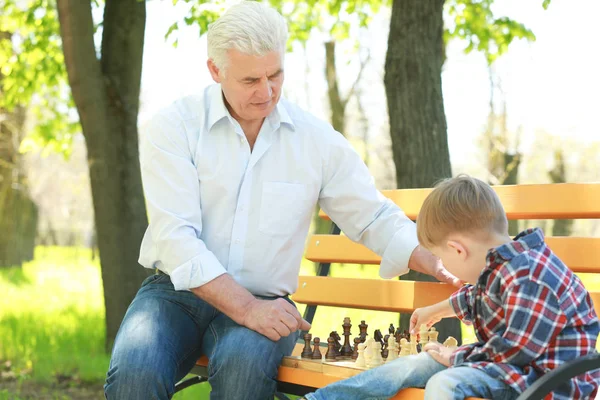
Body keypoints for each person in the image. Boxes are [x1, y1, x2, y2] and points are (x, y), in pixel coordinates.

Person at [103, 2, 459, 399]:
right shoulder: (175, 127)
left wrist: (430, 258)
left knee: (242, 370)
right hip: (175, 295)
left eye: (275, 75)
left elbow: (372, 215)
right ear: (215, 71)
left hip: (266, 299)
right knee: (134, 373)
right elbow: (176, 239)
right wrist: (245, 308)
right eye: (251, 79)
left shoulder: (314, 140)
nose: (267, 91)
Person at [303, 175, 600, 400]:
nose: (443, 267)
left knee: (442, 383)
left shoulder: (531, 278)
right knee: (414, 364)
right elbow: (484, 296)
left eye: (442, 257)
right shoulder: (505, 264)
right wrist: (439, 309)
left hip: (546, 383)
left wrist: (454, 357)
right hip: (512, 369)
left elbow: (513, 351)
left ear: (458, 250)